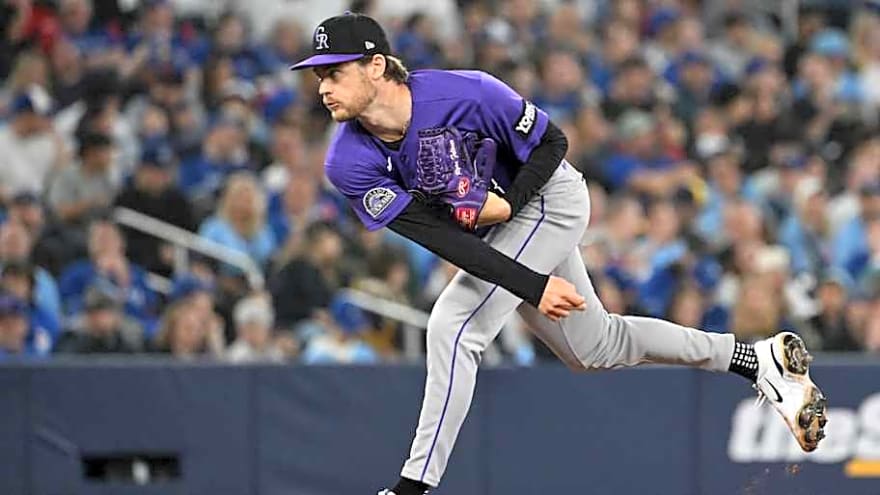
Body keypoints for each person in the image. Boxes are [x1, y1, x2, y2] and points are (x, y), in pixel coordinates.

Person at [289, 14, 828, 495]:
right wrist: (530, 280)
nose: (324, 89)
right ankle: (753, 360)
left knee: (453, 326)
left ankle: (412, 489)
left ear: (377, 66)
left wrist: (510, 205)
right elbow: (443, 239)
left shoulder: (469, 92)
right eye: (319, 77)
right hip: (493, 238)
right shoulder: (348, 162)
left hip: (550, 197)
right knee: (596, 347)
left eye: (334, 72)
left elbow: (554, 144)